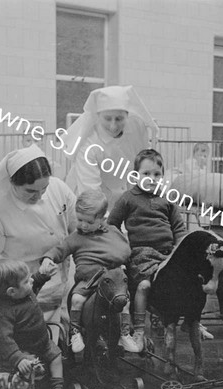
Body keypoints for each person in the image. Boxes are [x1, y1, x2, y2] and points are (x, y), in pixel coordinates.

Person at [0, 145, 77, 363]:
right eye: (30, 191)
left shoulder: (59, 189)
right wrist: (16, 288)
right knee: (12, 350)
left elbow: (75, 232)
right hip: (20, 290)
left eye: (44, 188)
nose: (38, 196)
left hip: (63, 278)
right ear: (12, 182)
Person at [108, 148, 191, 349]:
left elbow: (179, 227)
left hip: (166, 253)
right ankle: (138, 330)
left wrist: (181, 249)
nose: (152, 179)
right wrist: (122, 245)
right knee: (144, 286)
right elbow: (112, 224)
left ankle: (190, 319)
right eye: (146, 174)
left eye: (157, 174)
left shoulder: (167, 198)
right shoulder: (128, 198)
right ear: (135, 175)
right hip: (141, 254)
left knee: (186, 279)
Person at [41, 189, 140, 354]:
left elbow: (125, 250)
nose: (83, 225)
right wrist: (48, 258)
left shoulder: (113, 233)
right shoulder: (76, 237)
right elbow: (60, 248)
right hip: (88, 281)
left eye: (88, 222)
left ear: (102, 219)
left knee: (125, 302)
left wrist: (113, 261)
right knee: (77, 299)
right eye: (79, 220)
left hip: (112, 281)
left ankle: (124, 333)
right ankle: (75, 331)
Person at [63, 85, 158, 210]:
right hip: (88, 200)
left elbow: (142, 167)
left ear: (127, 115)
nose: (113, 126)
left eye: (119, 119)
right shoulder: (89, 145)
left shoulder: (136, 129)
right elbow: (91, 194)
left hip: (120, 193)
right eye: (107, 119)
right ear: (98, 116)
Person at [0, 259, 65, 389]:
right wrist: (18, 358)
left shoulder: (23, 293)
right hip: (18, 350)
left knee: (56, 356)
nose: (31, 281)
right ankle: (14, 385)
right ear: (12, 292)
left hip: (41, 343)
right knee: (27, 368)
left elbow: (35, 282)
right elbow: (5, 341)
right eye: (27, 281)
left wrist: (43, 275)